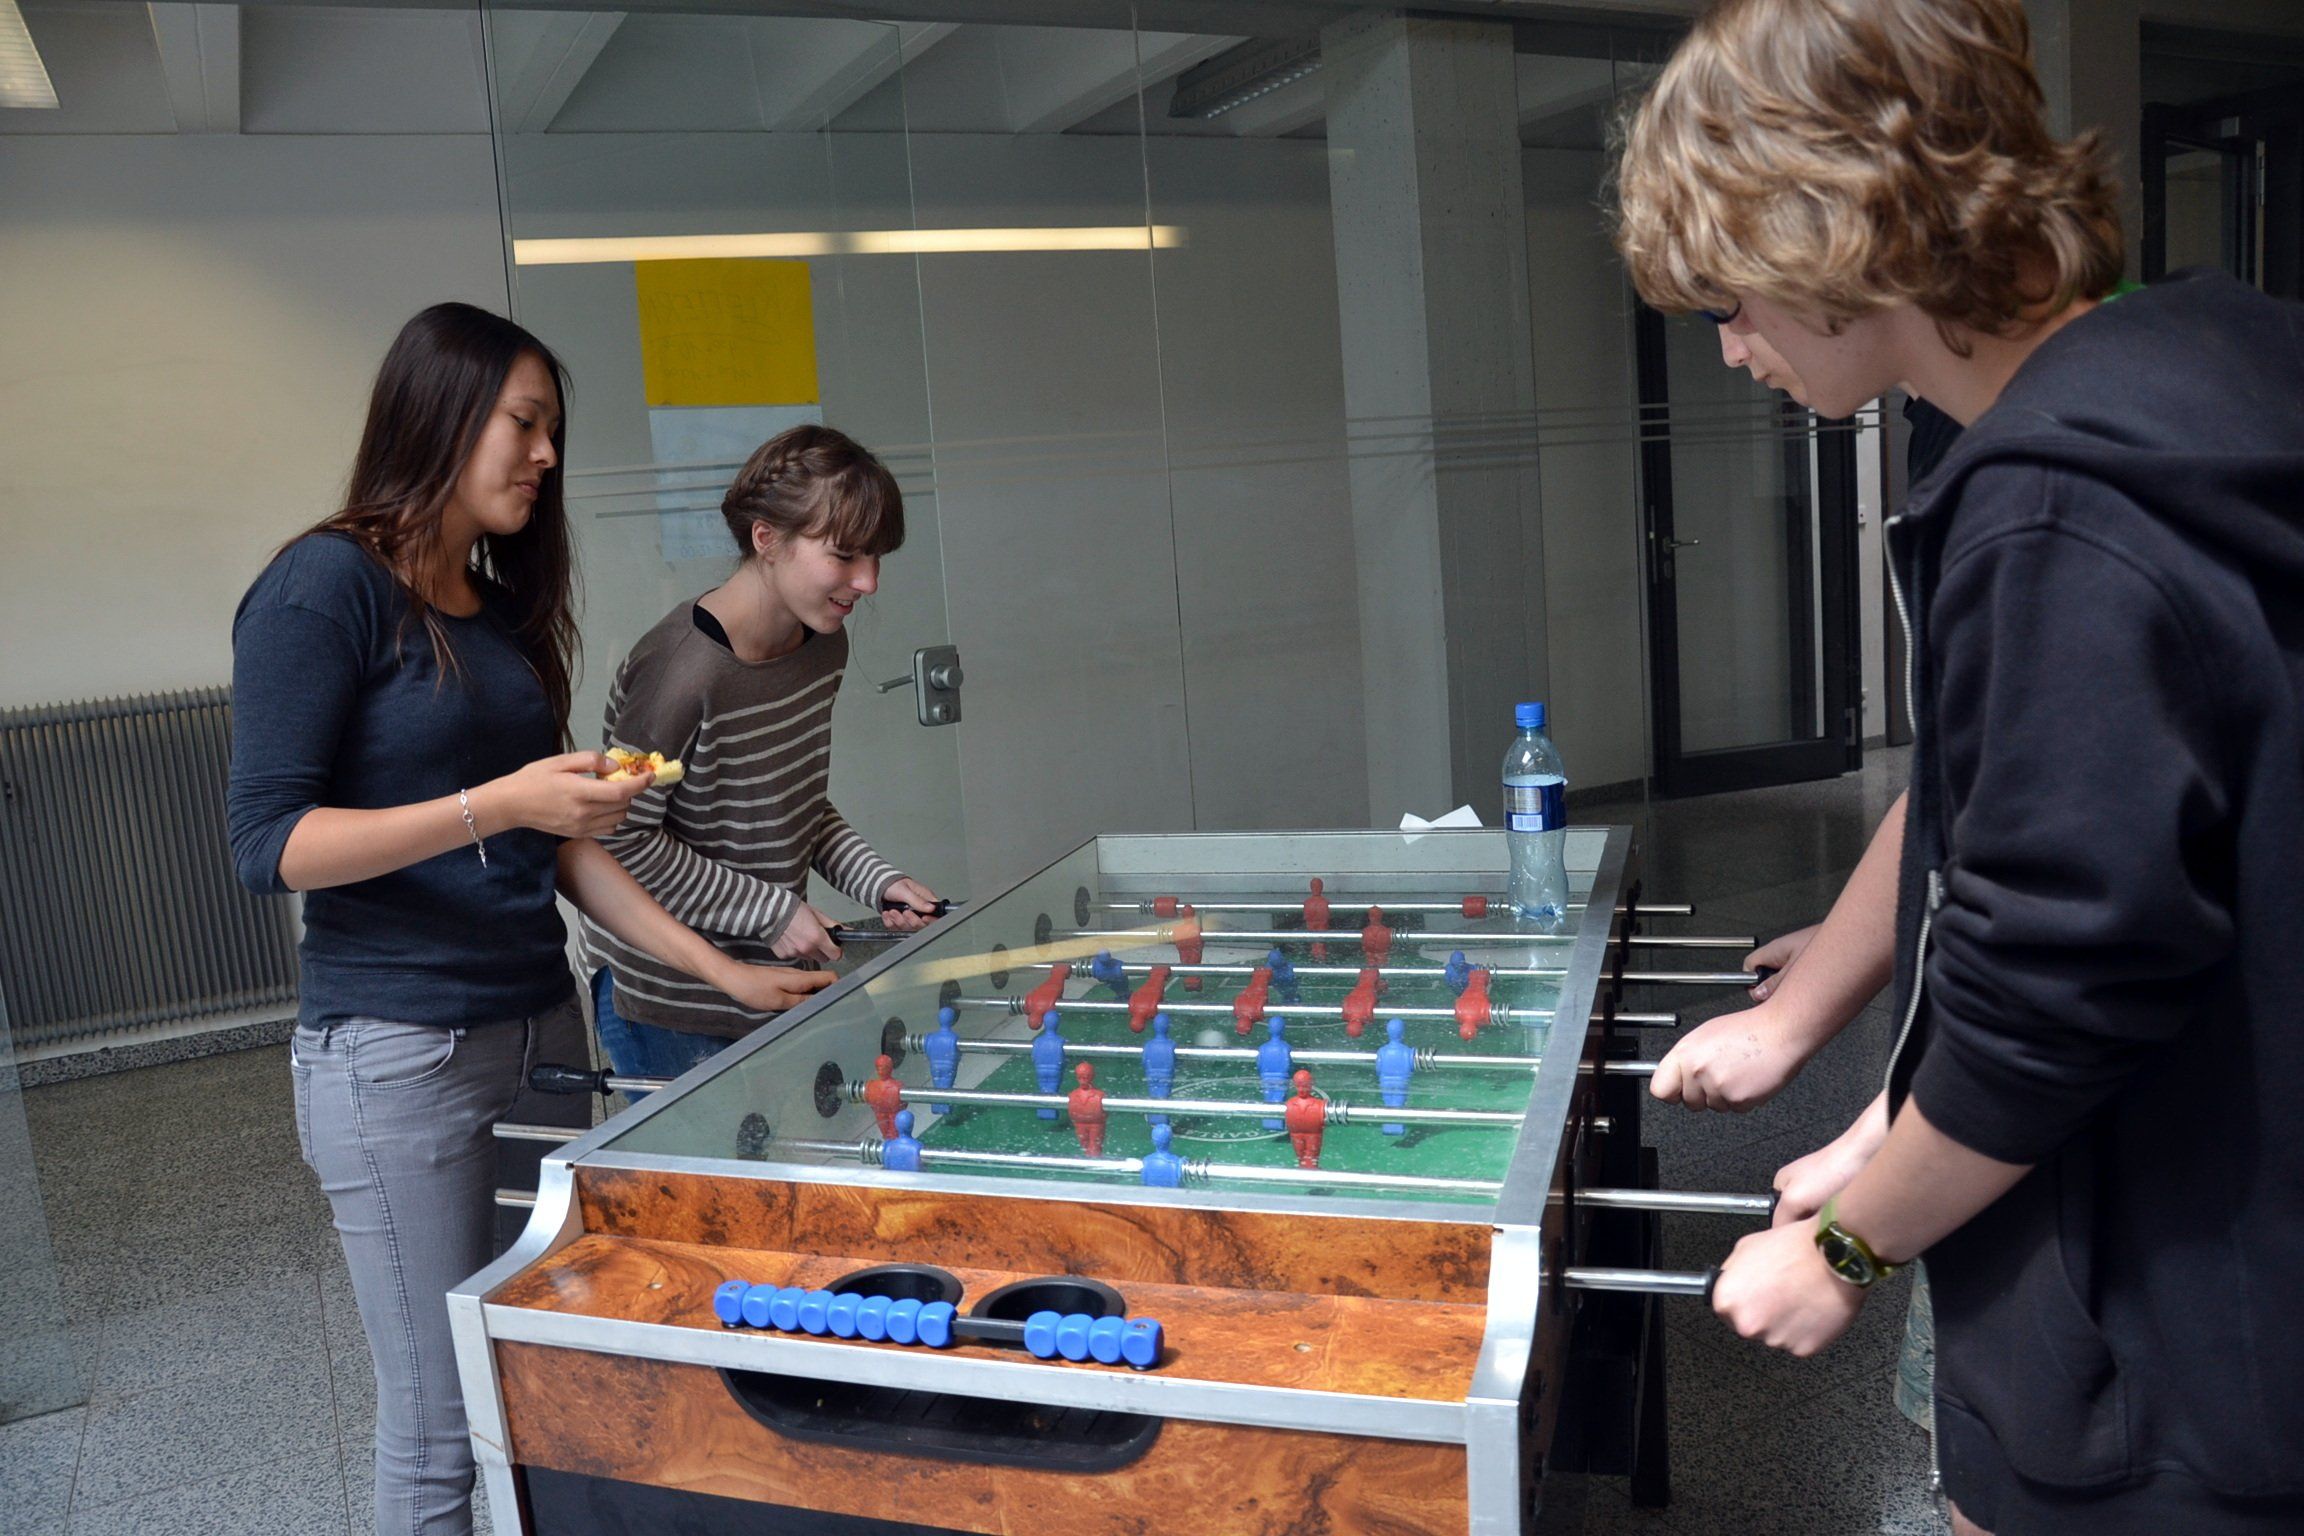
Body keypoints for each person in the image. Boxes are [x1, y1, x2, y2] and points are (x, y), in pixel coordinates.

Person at [1615, 4, 2304, 1534]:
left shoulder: (2057, 510)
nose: (1731, 347)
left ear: (1830, 234)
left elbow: (2059, 979)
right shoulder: (2209, 363)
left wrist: (1848, 1246)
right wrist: (1878, 1115)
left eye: (1730, 299)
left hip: (2168, 1340)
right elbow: (2038, 802)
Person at [227, 302, 833, 1536]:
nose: (547, 455)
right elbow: (269, 846)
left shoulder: (498, 612)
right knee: (438, 1427)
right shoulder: (322, 587)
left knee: (541, 1389)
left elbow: (558, 844)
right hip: (399, 1056)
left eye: (553, 429)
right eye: (525, 422)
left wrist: (717, 967)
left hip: (540, 1034)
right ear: (439, 413)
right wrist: (494, 801)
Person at [582, 424, 940, 1087]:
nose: (868, 582)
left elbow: (788, 801)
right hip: (667, 998)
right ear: (766, 539)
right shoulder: (679, 673)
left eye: (877, 557)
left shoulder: (822, 645)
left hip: (768, 978)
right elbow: (619, 841)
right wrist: (770, 911)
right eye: (845, 555)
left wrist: (876, 880)